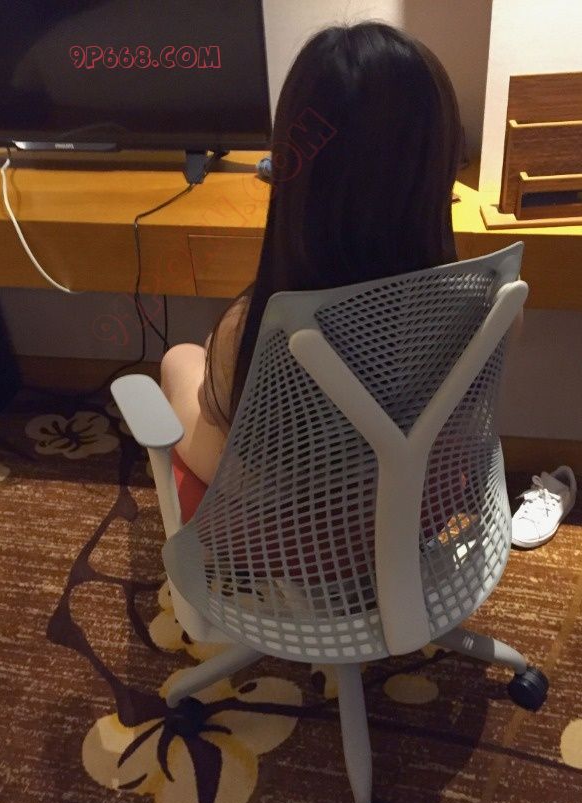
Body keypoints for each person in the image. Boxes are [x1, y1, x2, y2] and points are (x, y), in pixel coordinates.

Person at [160, 20, 462, 488]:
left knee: (180, 359)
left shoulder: (254, 331)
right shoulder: (485, 308)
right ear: (439, 161)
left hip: (289, 521)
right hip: (418, 505)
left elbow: (221, 416)